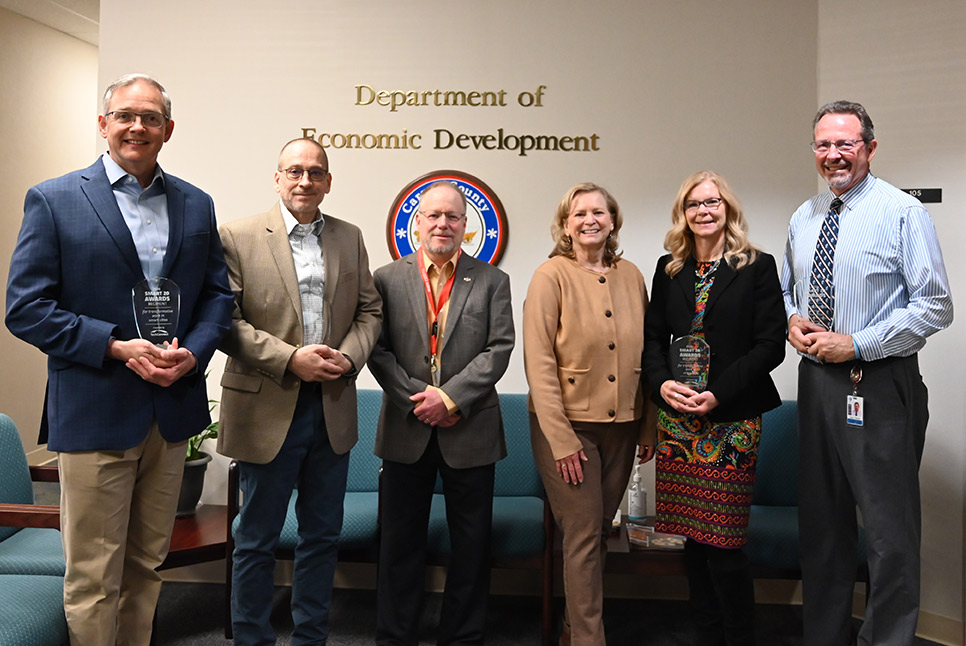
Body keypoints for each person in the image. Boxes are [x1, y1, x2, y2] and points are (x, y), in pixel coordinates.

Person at [4, 73, 234, 646]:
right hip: (95, 409)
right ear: (103, 124)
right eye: (126, 115)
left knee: (145, 567)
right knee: (93, 577)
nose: (138, 126)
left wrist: (195, 353)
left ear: (168, 129)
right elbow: (25, 308)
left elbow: (217, 297)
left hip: (170, 408)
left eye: (151, 117)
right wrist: (112, 344)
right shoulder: (54, 198)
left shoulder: (195, 202)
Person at [780, 100, 953, 645]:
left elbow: (935, 305)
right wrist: (791, 319)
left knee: (888, 535)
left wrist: (858, 343)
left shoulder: (903, 212)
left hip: (878, 385)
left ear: (870, 149)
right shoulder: (804, 216)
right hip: (816, 386)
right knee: (823, 528)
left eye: (845, 144)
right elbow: (787, 288)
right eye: (823, 145)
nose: (833, 155)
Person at [216, 138, 382, 645]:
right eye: (294, 171)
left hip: (331, 409)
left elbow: (369, 311)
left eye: (315, 172)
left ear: (328, 181)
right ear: (277, 178)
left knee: (321, 537)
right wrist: (291, 358)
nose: (304, 181)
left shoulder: (350, 237)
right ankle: (252, 638)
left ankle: (311, 637)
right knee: (256, 538)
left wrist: (349, 357)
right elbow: (225, 321)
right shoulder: (237, 235)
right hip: (266, 406)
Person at [642, 171, 786, 645]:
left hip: (731, 418)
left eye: (713, 202)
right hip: (678, 420)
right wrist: (663, 385)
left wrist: (718, 393)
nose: (704, 211)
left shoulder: (756, 266)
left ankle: (738, 636)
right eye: (694, 204)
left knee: (724, 542)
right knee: (692, 540)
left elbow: (770, 346)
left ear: (728, 209)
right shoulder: (670, 269)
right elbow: (651, 340)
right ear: (683, 214)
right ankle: (706, 634)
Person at [368, 180, 514, 646]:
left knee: (471, 549)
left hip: (470, 430)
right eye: (433, 216)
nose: (442, 224)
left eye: (452, 217)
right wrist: (421, 400)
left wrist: (449, 399)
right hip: (405, 428)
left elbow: (499, 349)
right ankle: (396, 636)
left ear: (466, 226)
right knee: (398, 546)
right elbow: (378, 350)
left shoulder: (492, 280)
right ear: (417, 223)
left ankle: (462, 637)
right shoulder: (386, 279)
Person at [524, 182, 654, 645]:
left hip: (624, 425)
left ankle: (571, 627)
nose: (589, 220)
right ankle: (588, 640)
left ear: (613, 221)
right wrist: (561, 440)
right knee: (581, 536)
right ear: (566, 225)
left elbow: (651, 352)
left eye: (599, 212)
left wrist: (649, 423)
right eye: (579, 214)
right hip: (569, 429)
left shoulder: (632, 274)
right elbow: (538, 363)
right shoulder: (550, 275)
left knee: (599, 531)